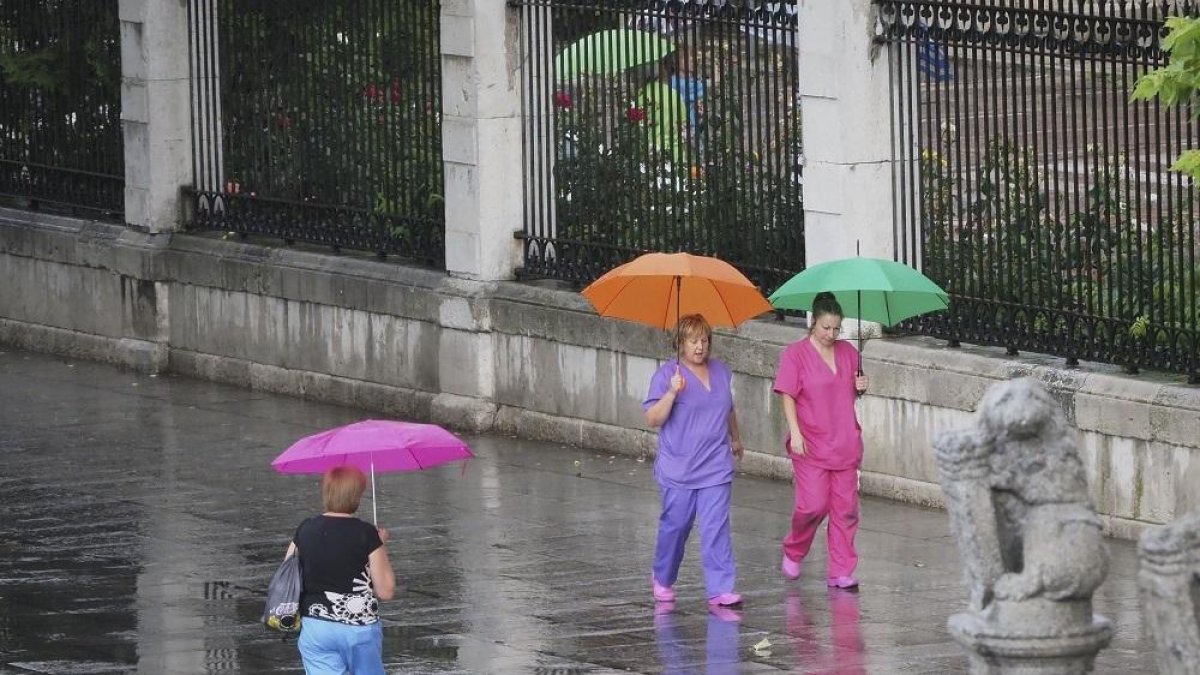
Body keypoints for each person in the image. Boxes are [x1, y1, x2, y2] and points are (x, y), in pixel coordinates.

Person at [643, 314, 745, 608]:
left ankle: (720, 588)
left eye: (704, 340)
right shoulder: (667, 376)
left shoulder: (721, 371)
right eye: (693, 341)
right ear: (680, 343)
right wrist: (673, 392)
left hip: (715, 465)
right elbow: (652, 418)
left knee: (715, 527)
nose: (700, 347)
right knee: (676, 527)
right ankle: (662, 576)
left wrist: (735, 438)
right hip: (680, 469)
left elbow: (727, 408)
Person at [773, 292, 869, 589]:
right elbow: (787, 394)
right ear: (813, 322)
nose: (832, 334)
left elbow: (850, 390)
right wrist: (796, 432)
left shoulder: (849, 353)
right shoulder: (795, 354)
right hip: (811, 443)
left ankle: (841, 570)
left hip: (844, 443)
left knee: (845, 510)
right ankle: (795, 548)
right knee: (812, 506)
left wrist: (861, 386)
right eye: (826, 327)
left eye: (837, 328)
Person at [285, 466, 396, 674]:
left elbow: (288, 573)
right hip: (359, 629)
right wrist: (380, 545)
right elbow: (386, 591)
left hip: (316, 628)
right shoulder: (366, 534)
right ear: (356, 495)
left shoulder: (305, 529)